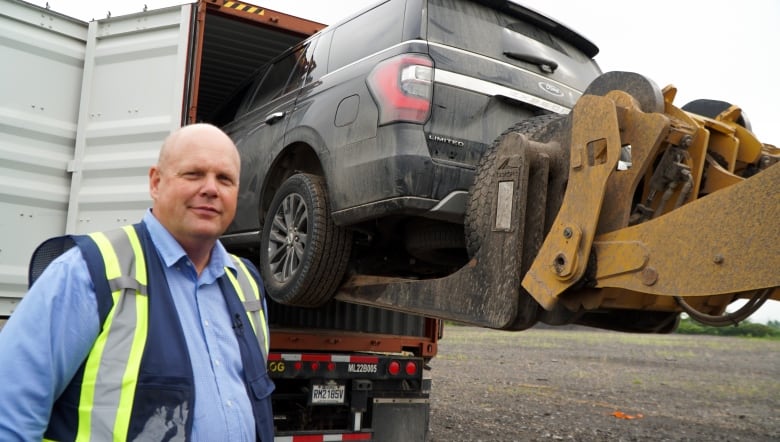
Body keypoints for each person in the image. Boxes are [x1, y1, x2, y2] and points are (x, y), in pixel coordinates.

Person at [0, 123, 274, 441]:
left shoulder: (247, 285)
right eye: (194, 174)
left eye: (224, 179)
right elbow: (10, 415)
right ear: (156, 183)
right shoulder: (88, 271)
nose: (211, 189)